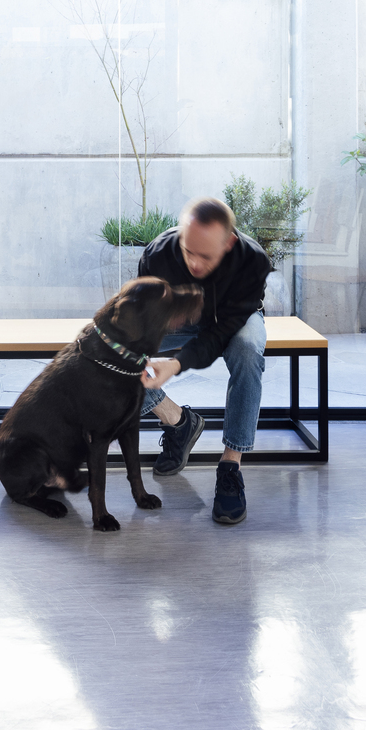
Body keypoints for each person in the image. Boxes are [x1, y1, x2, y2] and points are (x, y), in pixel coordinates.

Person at [136, 196, 271, 525]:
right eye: (187, 251)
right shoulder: (157, 254)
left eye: (205, 256)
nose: (194, 264)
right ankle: (178, 422)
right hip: (180, 318)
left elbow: (220, 334)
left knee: (248, 349)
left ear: (229, 244)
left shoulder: (253, 261)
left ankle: (230, 465)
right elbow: (137, 318)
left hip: (232, 319)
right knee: (119, 353)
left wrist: (177, 363)